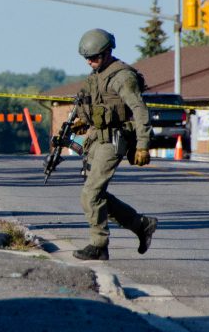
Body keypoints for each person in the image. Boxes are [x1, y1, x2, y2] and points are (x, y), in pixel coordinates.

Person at [59, 28, 157, 261]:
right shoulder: (96, 76)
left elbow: (139, 111)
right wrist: (84, 121)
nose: (90, 62)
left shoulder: (122, 77)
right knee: (97, 193)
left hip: (115, 139)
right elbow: (98, 107)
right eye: (87, 58)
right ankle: (140, 224)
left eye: (94, 57)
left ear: (107, 52)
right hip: (96, 138)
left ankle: (99, 244)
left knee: (91, 194)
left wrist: (143, 144)